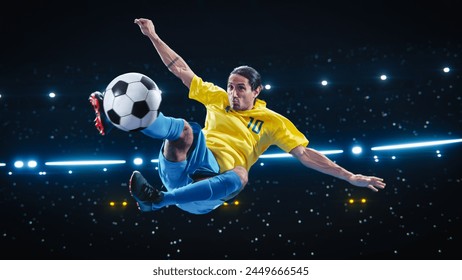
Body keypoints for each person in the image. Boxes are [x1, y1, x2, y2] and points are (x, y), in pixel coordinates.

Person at [89, 18, 386, 215]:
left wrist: (349, 176)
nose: (233, 93)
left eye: (240, 88)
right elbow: (180, 69)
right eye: (231, 87)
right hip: (181, 168)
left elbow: (305, 154)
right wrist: (153, 35)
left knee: (242, 175)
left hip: (207, 191)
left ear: (256, 90)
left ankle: (157, 201)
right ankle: (122, 119)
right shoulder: (218, 98)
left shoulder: (273, 121)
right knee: (187, 131)